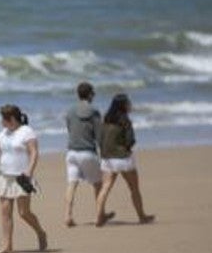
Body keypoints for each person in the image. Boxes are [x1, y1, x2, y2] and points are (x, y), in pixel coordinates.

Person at [0, 105, 48, 253]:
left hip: (21, 177)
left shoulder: (26, 131)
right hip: (4, 176)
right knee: (5, 212)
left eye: (3, 119)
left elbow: (34, 152)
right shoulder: (4, 133)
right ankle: (7, 245)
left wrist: (29, 172)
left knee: (24, 213)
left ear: (11, 119)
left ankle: (40, 232)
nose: (1, 122)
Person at [95, 94, 155, 226]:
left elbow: (99, 140)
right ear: (124, 105)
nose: (130, 105)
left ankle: (99, 217)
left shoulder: (105, 120)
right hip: (123, 158)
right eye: (128, 103)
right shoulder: (125, 120)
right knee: (134, 188)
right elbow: (130, 140)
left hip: (107, 159)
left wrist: (105, 153)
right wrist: (125, 148)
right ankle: (142, 216)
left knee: (105, 188)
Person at [63, 82, 113, 227]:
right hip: (87, 152)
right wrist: (105, 153)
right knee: (98, 184)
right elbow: (99, 135)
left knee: (72, 184)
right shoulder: (94, 111)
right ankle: (100, 215)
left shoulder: (70, 111)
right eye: (93, 94)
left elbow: (69, 129)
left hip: (71, 153)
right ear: (90, 94)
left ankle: (67, 216)